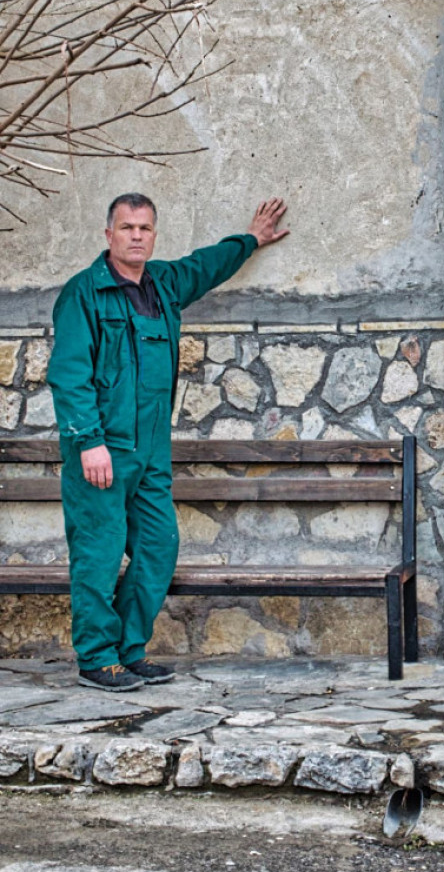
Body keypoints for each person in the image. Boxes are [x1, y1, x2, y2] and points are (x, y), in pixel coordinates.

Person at [47, 193, 289, 691]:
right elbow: (69, 375)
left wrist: (252, 239)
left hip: (152, 452)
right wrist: (88, 441)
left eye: (145, 228)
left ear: (153, 235)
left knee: (158, 547)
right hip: (101, 451)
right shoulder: (84, 294)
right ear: (108, 234)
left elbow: (207, 265)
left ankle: (129, 651)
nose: (136, 235)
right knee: (99, 551)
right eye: (127, 227)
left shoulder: (164, 284)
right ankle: (96, 657)